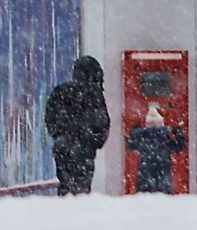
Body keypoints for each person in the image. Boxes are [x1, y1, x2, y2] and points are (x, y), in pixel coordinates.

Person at [44, 56, 111, 196]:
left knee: (65, 185)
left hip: (63, 147)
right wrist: (92, 139)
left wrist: (60, 134)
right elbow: (102, 123)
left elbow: (50, 118)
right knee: (81, 188)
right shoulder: (94, 95)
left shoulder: (60, 91)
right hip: (84, 148)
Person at [125, 105, 186, 194]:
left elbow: (130, 145)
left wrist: (134, 131)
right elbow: (180, 146)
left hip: (145, 179)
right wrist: (178, 132)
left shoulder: (142, 138)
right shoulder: (166, 138)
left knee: (144, 201)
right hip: (163, 178)